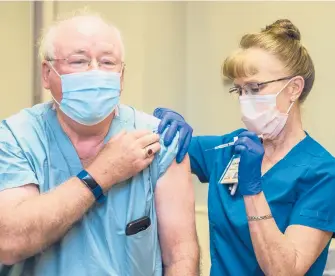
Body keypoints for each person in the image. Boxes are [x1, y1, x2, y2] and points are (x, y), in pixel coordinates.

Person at [0, 13, 199, 276]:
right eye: (79, 61)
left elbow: (181, 258)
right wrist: (101, 172)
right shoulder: (17, 137)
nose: (95, 72)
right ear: (47, 74)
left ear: (122, 75)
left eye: (107, 62)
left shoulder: (158, 139)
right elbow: (10, 241)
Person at [154, 19, 335, 275]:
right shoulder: (229, 147)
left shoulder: (326, 175)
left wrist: (253, 190)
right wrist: (157, 124)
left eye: (255, 88)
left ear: (294, 88)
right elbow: (163, 148)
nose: (245, 100)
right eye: (239, 90)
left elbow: (285, 271)